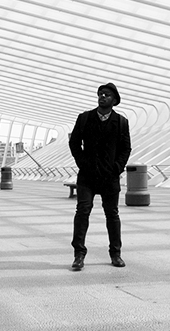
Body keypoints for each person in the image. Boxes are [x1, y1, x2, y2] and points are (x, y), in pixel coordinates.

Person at [68, 83, 132, 271]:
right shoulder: (85, 118)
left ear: (114, 100)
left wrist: (117, 168)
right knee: (82, 211)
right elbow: (74, 143)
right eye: (100, 94)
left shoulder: (121, 122)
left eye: (107, 95)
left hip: (109, 177)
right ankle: (79, 254)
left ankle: (115, 253)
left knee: (112, 215)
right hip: (87, 176)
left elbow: (125, 148)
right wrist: (83, 163)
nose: (102, 97)